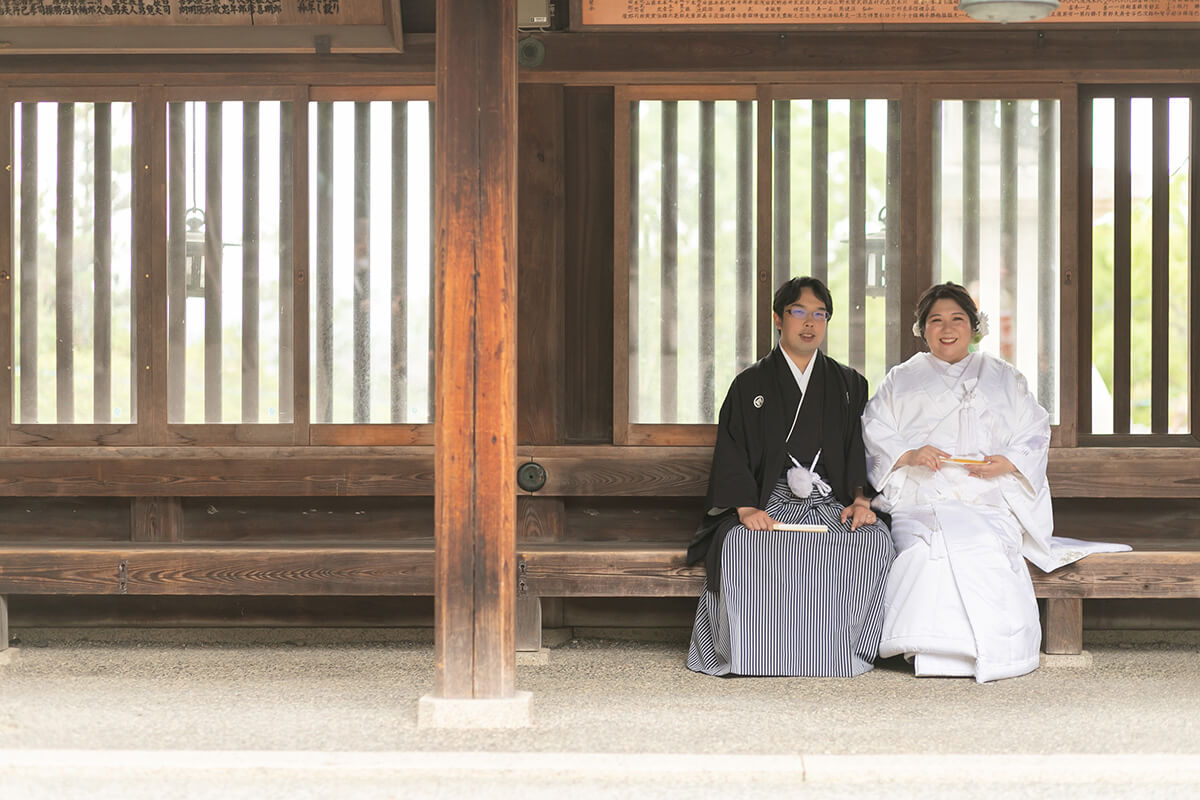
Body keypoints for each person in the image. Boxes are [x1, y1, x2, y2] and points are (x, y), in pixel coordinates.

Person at [862, 282, 1129, 683]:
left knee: (984, 546)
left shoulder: (1005, 377)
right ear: (922, 328)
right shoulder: (900, 379)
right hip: (922, 495)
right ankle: (927, 647)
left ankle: (986, 649)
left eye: (957, 319)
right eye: (936, 320)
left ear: (974, 326)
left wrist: (1008, 462)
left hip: (986, 496)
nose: (947, 328)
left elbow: (1034, 429)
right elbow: (875, 429)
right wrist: (910, 454)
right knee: (925, 551)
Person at [686, 276, 894, 677]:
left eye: (820, 314)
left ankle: (839, 653)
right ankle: (753, 653)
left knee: (872, 545)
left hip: (828, 500)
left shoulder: (849, 383)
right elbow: (732, 449)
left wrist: (860, 500)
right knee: (742, 549)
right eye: (799, 312)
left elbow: (859, 448)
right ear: (779, 319)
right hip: (769, 501)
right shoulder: (750, 385)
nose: (810, 323)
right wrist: (746, 507)